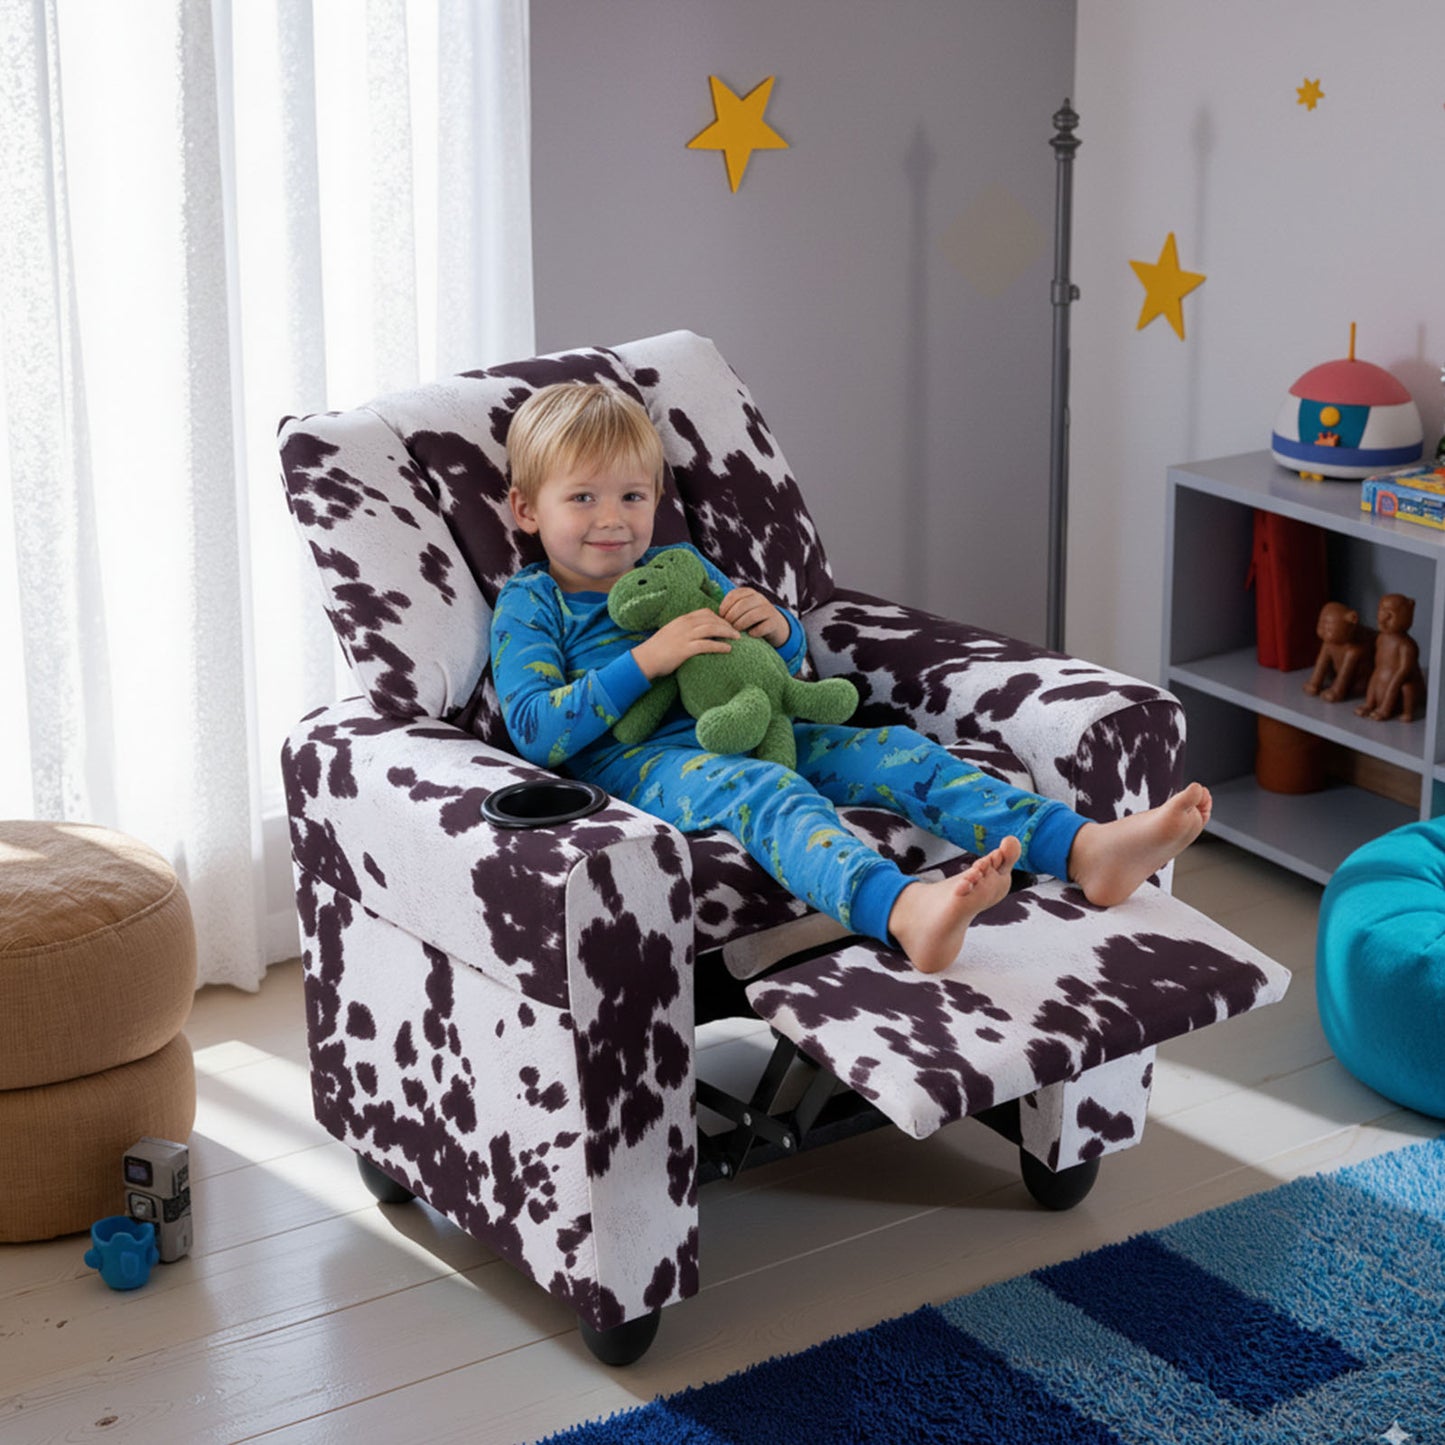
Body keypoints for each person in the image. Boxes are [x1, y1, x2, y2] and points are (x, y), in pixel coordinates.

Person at [491, 382, 1211, 975]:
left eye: (631, 497)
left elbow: (770, 665)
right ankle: (902, 911)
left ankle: (1086, 849)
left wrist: (778, 629)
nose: (611, 520)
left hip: (762, 726)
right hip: (639, 764)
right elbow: (534, 732)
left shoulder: (686, 568)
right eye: (582, 498)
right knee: (767, 790)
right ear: (527, 509)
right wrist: (647, 659)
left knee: (892, 749)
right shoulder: (533, 601)